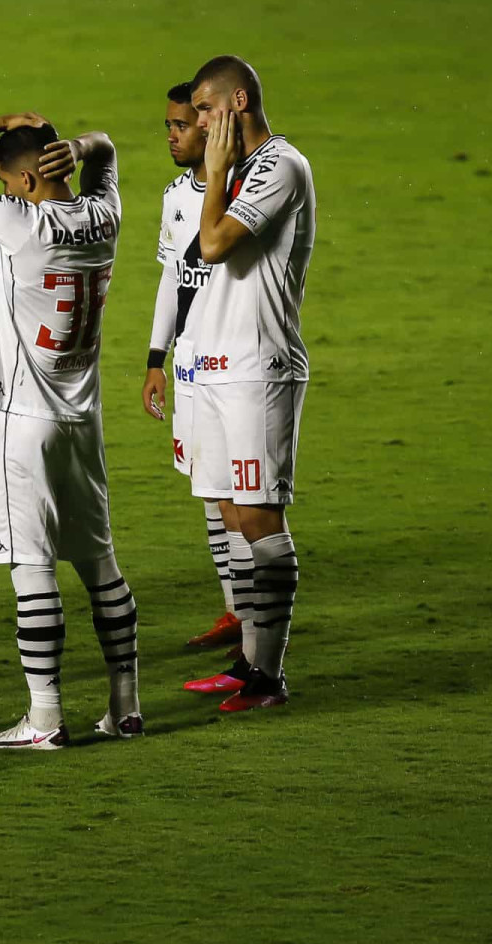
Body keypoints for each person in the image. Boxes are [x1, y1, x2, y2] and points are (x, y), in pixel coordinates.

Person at [0, 113, 141, 749]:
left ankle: (45, 718)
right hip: (82, 420)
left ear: (20, 181)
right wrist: (77, 145)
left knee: (32, 567)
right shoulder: (106, 211)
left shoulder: (23, 223)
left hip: (22, 422)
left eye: (6, 181)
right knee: (100, 563)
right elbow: (106, 147)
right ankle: (125, 707)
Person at [177, 56, 316, 712]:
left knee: (260, 516)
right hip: (216, 367)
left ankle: (269, 676)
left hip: (259, 367)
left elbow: (213, 245)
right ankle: (248, 659)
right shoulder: (237, 170)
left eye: (205, 109)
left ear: (236, 102)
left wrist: (211, 176)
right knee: (233, 513)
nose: (198, 121)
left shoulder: (278, 166)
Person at [144, 81, 243, 649]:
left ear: (209, 127)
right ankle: (234, 610)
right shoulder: (175, 197)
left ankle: (256, 619)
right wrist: (157, 358)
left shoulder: (246, 190)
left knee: (241, 499)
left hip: (234, 364)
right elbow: (172, 280)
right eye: (170, 126)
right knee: (209, 490)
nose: (171, 136)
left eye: (181, 125)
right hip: (188, 368)